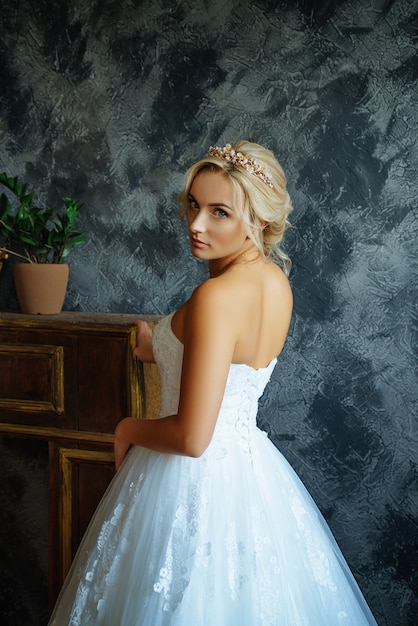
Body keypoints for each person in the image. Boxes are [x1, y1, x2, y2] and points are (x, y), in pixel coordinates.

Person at [49, 141, 378, 625]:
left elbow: (192, 437)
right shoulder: (275, 283)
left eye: (219, 212)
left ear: (259, 222)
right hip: (252, 474)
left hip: (186, 482)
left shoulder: (215, 297)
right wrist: (154, 342)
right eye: (194, 206)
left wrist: (126, 429)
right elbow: (213, 354)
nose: (197, 225)